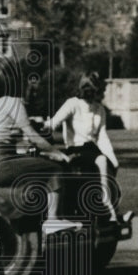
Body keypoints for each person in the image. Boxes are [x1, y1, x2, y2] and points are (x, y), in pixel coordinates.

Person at [0, 69, 78, 235]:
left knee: (41, 163)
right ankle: (52, 219)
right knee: (55, 169)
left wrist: (46, 151)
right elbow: (32, 136)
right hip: (2, 160)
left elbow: (13, 134)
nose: (29, 89)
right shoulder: (14, 102)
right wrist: (57, 153)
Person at [47, 72, 120, 221]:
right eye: (89, 90)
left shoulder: (99, 109)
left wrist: (113, 159)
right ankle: (107, 203)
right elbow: (55, 122)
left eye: (94, 90)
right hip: (76, 148)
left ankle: (109, 206)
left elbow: (102, 136)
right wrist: (45, 126)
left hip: (92, 148)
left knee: (110, 164)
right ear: (83, 89)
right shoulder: (72, 103)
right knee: (101, 160)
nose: (91, 94)